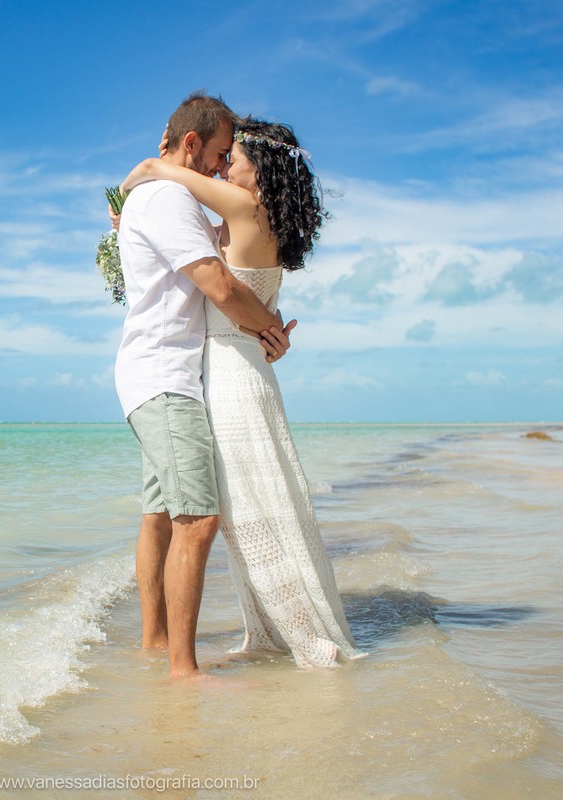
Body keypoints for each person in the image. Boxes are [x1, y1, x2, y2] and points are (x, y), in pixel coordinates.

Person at [120, 117, 367, 667]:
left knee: (244, 510)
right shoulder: (248, 217)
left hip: (232, 378)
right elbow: (196, 250)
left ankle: (293, 633)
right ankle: (282, 626)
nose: (223, 163)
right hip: (239, 371)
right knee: (256, 502)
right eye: (222, 154)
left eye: (233, 157)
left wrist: (149, 168)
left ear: (259, 171)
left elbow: (169, 183)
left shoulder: (242, 210)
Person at [113, 92, 294, 679]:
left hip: (159, 372)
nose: (220, 168)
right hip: (166, 377)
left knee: (162, 513)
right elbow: (218, 283)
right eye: (218, 155)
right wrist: (270, 328)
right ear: (190, 143)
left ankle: (154, 643)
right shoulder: (167, 196)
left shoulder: (160, 195)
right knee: (198, 517)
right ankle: (182, 673)